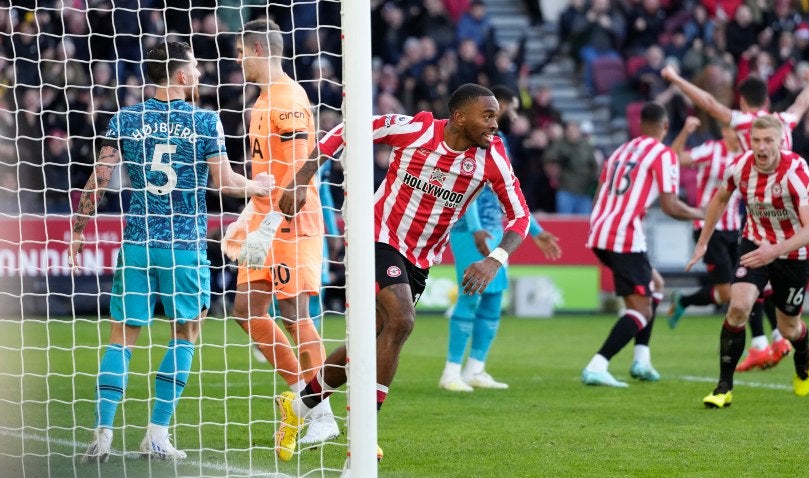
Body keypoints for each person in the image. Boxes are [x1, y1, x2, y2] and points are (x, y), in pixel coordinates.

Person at [276, 83, 532, 460]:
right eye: (488, 116)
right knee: (402, 319)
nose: (496, 124)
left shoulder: (492, 159)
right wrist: (302, 176)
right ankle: (365, 434)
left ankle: (298, 406)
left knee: (372, 340)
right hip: (376, 237)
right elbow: (349, 130)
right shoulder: (416, 130)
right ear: (460, 117)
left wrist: (494, 259)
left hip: (421, 258)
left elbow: (521, 216)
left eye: (497, 116)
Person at [68, 41, 274, 462]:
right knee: (187, 332)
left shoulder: (125, 118)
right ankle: (157, 435)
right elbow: (222, 182)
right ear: (181, 76)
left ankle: (102, 434)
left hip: (138, 244)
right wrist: (257, 186)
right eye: (195, 67)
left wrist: (78, 229)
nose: (199, 73)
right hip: (183, 247)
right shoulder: (205, 121)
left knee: (121, 338)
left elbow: (100, 177)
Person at [222, 19, 339, 453]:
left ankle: (322, 413)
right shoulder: (262, 102)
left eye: (239, 52)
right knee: (246, 309)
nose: (236, 60)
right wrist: (250, 213)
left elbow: (301, 170)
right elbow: (267, 176)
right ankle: (308, 402)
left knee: (294, 313)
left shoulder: (288, 99)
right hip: (266, 220)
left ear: (255, 49)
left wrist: (271, 221)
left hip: (291, 221)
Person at [687, 115, 809, 408]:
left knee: (789, 329)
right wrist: (703, 240)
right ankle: (723, 387)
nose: (761, 147)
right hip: (754, 244)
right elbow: (720, 198)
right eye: (756, 140)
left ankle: (802, 355)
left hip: (793, 253)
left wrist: (775, 251)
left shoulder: (796, 171)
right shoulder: (740, 167)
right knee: (737, 307)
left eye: (768, 141)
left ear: (781, 141)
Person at [438, 85, 562, 392]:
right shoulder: (476, 136)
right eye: (514, 107)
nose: (516, 114)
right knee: (471, 297)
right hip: (470, 230)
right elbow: (467, 187)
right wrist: (477, 228)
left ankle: (474, 369)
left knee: (493, 300)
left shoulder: (498, 140)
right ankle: (451, 372)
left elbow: (508, 195)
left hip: (494, 230)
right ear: (501, 106)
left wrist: (536, 232)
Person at [581, 102, 704, 388]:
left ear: (640, 125)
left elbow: (599, 193)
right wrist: (703, 212)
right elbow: (671, 206)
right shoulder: (662, 155)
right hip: (623, 234)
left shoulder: (619, 152)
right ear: (664, 126)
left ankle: (641, 361)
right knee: (641, 309)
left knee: (655, 285)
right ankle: (597, 365)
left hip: (600, 229)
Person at [668, 116, 792, 370]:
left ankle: (767, 342)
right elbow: (674, 158)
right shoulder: (711, 150)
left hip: (736, 230)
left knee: (750, 285)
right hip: (709, 228)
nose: (737, 135)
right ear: (724, 131)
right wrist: (685, 130)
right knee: (730, 292)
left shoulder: (751, 155)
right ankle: (685, 302)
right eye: (731, 130)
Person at [660, 64, 809, 152]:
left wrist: (676, 79)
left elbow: (709, 104)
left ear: (742, 102)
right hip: (789, 200)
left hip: (762, 202)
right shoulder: (784, 120)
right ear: (766, 101)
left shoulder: (744, 122)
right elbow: (802, 103)